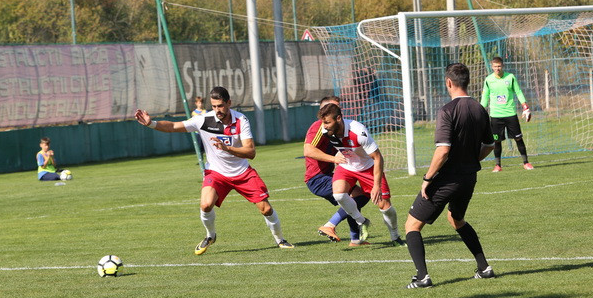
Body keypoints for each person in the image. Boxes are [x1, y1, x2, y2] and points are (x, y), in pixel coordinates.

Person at [134, 86, 293, 253]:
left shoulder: (241, 120)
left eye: (221, 106)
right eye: (214, 106)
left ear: (229, 103)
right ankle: (210, 236)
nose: (217, 110)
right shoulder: (203, 120)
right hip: (216, 173)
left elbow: (251, 152)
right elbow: (173, 126)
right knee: (205, 204)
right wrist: (151, 123)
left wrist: (227, 148)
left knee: (266, 209)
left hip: (242, 173)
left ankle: (280, 240)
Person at [404, 63, 496, 288]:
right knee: (456, 219)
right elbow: (489, 145)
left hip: (448, 179)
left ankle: (422, 277)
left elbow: (443, 150)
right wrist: (472, 160)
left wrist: (428, 178)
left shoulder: (447, 110)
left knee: (412, 225)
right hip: (469, 178)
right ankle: (484, 268)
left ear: (448, 82)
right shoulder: (480, 109)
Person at [315, 103, 406, 246]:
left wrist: (376, 186)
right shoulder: (325, 130)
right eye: (323, 122)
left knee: (385, 207)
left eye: (327, 122)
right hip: (347, 166)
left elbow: (378, 158)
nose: (324, 126)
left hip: (368, 168)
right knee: (339, 195)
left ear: (338, 118)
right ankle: (362, 221)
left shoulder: (358, 132)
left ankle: (395, 237)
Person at [304, 96, 371, 246]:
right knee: (359, 195)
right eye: (331, 107)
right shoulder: (318, 127)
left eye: (338, 107)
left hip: (327, 175)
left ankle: (355, 239)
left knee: (352, 198)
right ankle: (330, 225)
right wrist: (334, 159)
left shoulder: (337, 128)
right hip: (317, 178)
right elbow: (308, 150)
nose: (336, 110)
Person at [480, 56, 533, 172]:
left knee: (518, 138)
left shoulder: (510, 77)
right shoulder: (488, 80)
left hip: (510, 114)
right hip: (495, 116)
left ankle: (526, 163)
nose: (497, 68)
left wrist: (525, 106)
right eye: (495, 66)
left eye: (499, 66)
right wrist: (480, 110)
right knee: (496, 141)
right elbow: (485, 97)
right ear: (492, 67)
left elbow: (518, 92)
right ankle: (498, 165)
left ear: (502, 66)